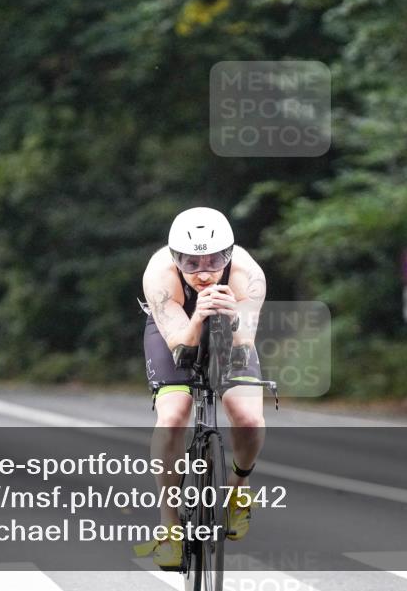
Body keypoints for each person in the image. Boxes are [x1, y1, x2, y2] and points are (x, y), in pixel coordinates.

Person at [138, 207, 267, 570]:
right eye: (191, 264)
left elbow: (242, 343)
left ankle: (237, 491)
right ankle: (169, 525)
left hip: (232, 326)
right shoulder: (160, 274)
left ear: (228, 255)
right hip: (176, 328)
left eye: (213, 261)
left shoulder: (247, 274)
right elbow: (180, 346)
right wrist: (197, 317)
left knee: (248, 417)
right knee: (174, 415)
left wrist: (232, 315)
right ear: (175, 258)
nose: (204, 273)